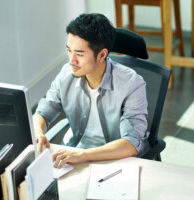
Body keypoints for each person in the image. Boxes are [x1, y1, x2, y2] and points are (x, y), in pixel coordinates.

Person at [33, 13, 150, 168]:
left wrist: (81, 156)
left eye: (79, 54)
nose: (72, 61)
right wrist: (39, 133)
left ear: (102, 55)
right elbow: (43, 112)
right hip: (75, 155)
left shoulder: (131, 84)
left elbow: (131, 144)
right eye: (69, 50)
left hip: (113, 160)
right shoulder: (66, 74)